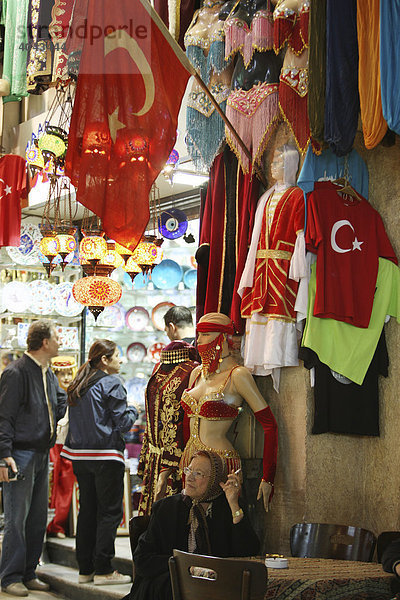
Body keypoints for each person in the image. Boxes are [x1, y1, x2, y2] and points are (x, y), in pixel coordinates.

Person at [128, 449, 259, 600]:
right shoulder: (167, 508)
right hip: (167, 588)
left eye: (198, 474)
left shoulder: (227, 506)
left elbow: (248, 553)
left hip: (214, 590)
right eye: (189, 470)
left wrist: (235, 507)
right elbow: (142, 559)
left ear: (215, 481)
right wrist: (187, 567)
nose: (189, 477)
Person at [180, 312, 278, 512]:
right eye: (199, 334)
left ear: (222, 338)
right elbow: (185, 422)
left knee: (220, 523)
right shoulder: (196, 373)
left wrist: (268, 477)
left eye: (206, 334)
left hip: (221, 464)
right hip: (190, 461)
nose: (198, 341)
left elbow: (270, 425)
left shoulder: (238, 375)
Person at [61, 340, 137, 586]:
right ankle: (104, 569)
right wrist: (134, 410)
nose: (121, 360)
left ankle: (86, 569)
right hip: (105, 455)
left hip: (80, 457)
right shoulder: (111, 383)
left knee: (88, 512)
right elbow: (123, 423)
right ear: (104, 360)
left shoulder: (79, 383)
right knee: (109, 513)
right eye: (117, 355)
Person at [0, 319, 67, 597]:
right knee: (17, 518)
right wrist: (4, 455)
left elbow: (58, 404)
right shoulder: (16, 373)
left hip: (41, 453)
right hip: (21, 454)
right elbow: (4, 416)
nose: (60, 343)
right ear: (44, 343)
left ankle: (28, 572)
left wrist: (62, 396)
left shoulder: (47, 372)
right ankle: (9, 577)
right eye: (56, 338)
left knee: (37, 518)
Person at [137, 341, 199, 515]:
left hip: (175, 461)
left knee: (172, 516)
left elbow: (183, 420)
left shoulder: (192, 370)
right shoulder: (159, 368)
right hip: (154, 456)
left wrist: (167, 469)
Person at [47, 356, 77, 539]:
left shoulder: (76, 396)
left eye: (68, 374)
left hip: (69, 445)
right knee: (51, 484)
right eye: (61, 374)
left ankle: (59, 525)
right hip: (52, 445)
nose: (65, 378)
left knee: (66, 485)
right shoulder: (50, 395)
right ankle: (48, 524)